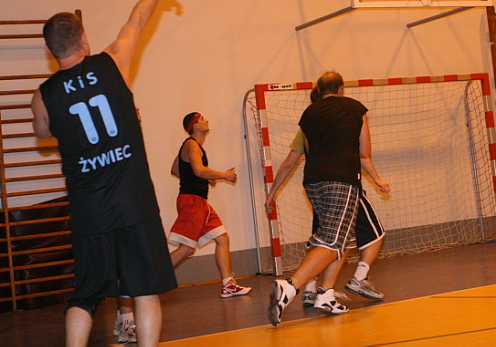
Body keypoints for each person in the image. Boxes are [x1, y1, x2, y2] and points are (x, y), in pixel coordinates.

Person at [30, 0, 181, 346]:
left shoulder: (43, 96)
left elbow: (43, 133)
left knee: (85, 294)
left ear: (50, 50)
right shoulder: (113, 61)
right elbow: (137, 20)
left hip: (89, 208)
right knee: (144, 289)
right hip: (133, 201)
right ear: (84, 39)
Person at [264, 89, 390, 308]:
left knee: (336, 241)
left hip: (315, 186)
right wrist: (377, 179)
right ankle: (294, 286)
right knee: (349, 240)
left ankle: (320, 291)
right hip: (341, 184)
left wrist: (272, 192)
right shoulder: (342, 120)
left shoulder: (310, 125)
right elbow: (363, 155)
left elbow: (289, 161)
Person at [167, 112, 252, 298]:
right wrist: (224, 175)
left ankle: (228, 285)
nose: (206, 121)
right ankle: (151, 279)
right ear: (195, 126)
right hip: (192, 202)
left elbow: (176, 169)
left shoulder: (191, 145)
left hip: (198, 202)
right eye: (202, 119)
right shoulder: (191, 144)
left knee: (222, 238)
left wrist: (205, 178)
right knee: (187, 249)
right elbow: (198, 170)